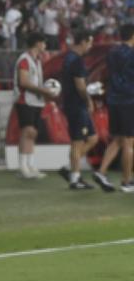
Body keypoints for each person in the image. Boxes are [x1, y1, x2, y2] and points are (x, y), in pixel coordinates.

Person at [93, 24, 134, 193]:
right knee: (129, 142)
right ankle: (126, 181)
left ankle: (101, 172)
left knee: (118, 139)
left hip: (114, 99)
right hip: (129, 99)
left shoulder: (112, 52)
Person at [57, 31, 99, 190]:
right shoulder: (77, 61)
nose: (91, 45)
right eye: (90, 42)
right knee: (77, 141)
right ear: (83, 41)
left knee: (93, 138)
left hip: (74, 103)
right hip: (76, 105)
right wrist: (88, 100)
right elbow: (80, 86)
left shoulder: (69, 58)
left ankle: (70, 169)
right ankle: (75, 179)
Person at [13, 32, 54, 179]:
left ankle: (30, 165)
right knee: (27, 131)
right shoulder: (24, 60)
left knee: (33, 133)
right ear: (37, 43)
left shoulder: (36, 60)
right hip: (25, 100)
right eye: (43, 42)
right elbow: (23, 82)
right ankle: (23, 166)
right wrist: (43, 90)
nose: (45, 45)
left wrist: (44, 93)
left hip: (36, 101)